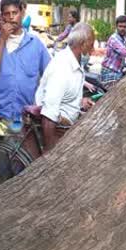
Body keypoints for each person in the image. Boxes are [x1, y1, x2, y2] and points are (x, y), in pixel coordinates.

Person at [0, 0, 51, 126]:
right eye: (7, 14)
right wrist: (2, 38)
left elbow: (49, 73)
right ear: (2, 17)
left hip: (25, 117)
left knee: (22, 147)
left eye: (15, 12)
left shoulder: (35, 43)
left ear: (22, 13)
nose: (11, 17)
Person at [35, 23, 95, 154]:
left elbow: (66, 97)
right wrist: (50, 153)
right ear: (83, 44)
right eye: (91, 45)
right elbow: (49, 114)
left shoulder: (74, 63)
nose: (93, 50)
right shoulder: (62, 68)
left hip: (67, 127)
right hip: (57, 132)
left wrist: (81, 102)